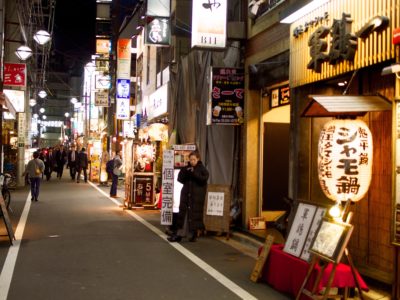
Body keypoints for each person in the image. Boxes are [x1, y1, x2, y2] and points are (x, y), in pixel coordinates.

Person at [168, 151, 209, 243]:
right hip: (186, 195)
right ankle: (179, 234)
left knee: (193, 216)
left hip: (196, 198)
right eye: (190, 159)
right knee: (183, 214)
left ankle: (191, 234)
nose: (192, 161)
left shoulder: (202, 169)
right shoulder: (187, 167)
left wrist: (194, 173)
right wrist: (186, 171)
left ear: (198, 159)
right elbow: (180, 179)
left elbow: (204, 179)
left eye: (194, 159)